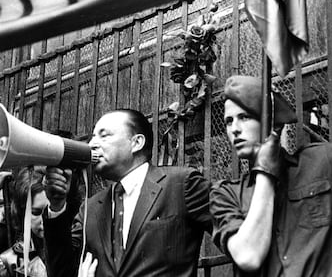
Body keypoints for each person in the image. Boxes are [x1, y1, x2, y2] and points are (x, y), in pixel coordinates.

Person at [43, 109, 213, 277]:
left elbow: (236, 236)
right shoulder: (90, 209)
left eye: (104, 135)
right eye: (93, 137)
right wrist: (56, 206)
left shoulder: (181, 184)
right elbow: (62, 272)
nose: (92, 144)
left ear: (136, 142)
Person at [210, 75, 332, 276]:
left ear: (270, 121)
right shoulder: (225, 194)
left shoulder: (321, 160)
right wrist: (265, 172)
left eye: (244, 117)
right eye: (229, 121)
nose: (234, 129)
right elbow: (249, 256)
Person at [0, 166, 56, 277]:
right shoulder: (13, 257)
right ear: (24, 213)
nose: (43, 221)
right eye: (36, 212)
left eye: (51, 211)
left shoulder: (77, 240)